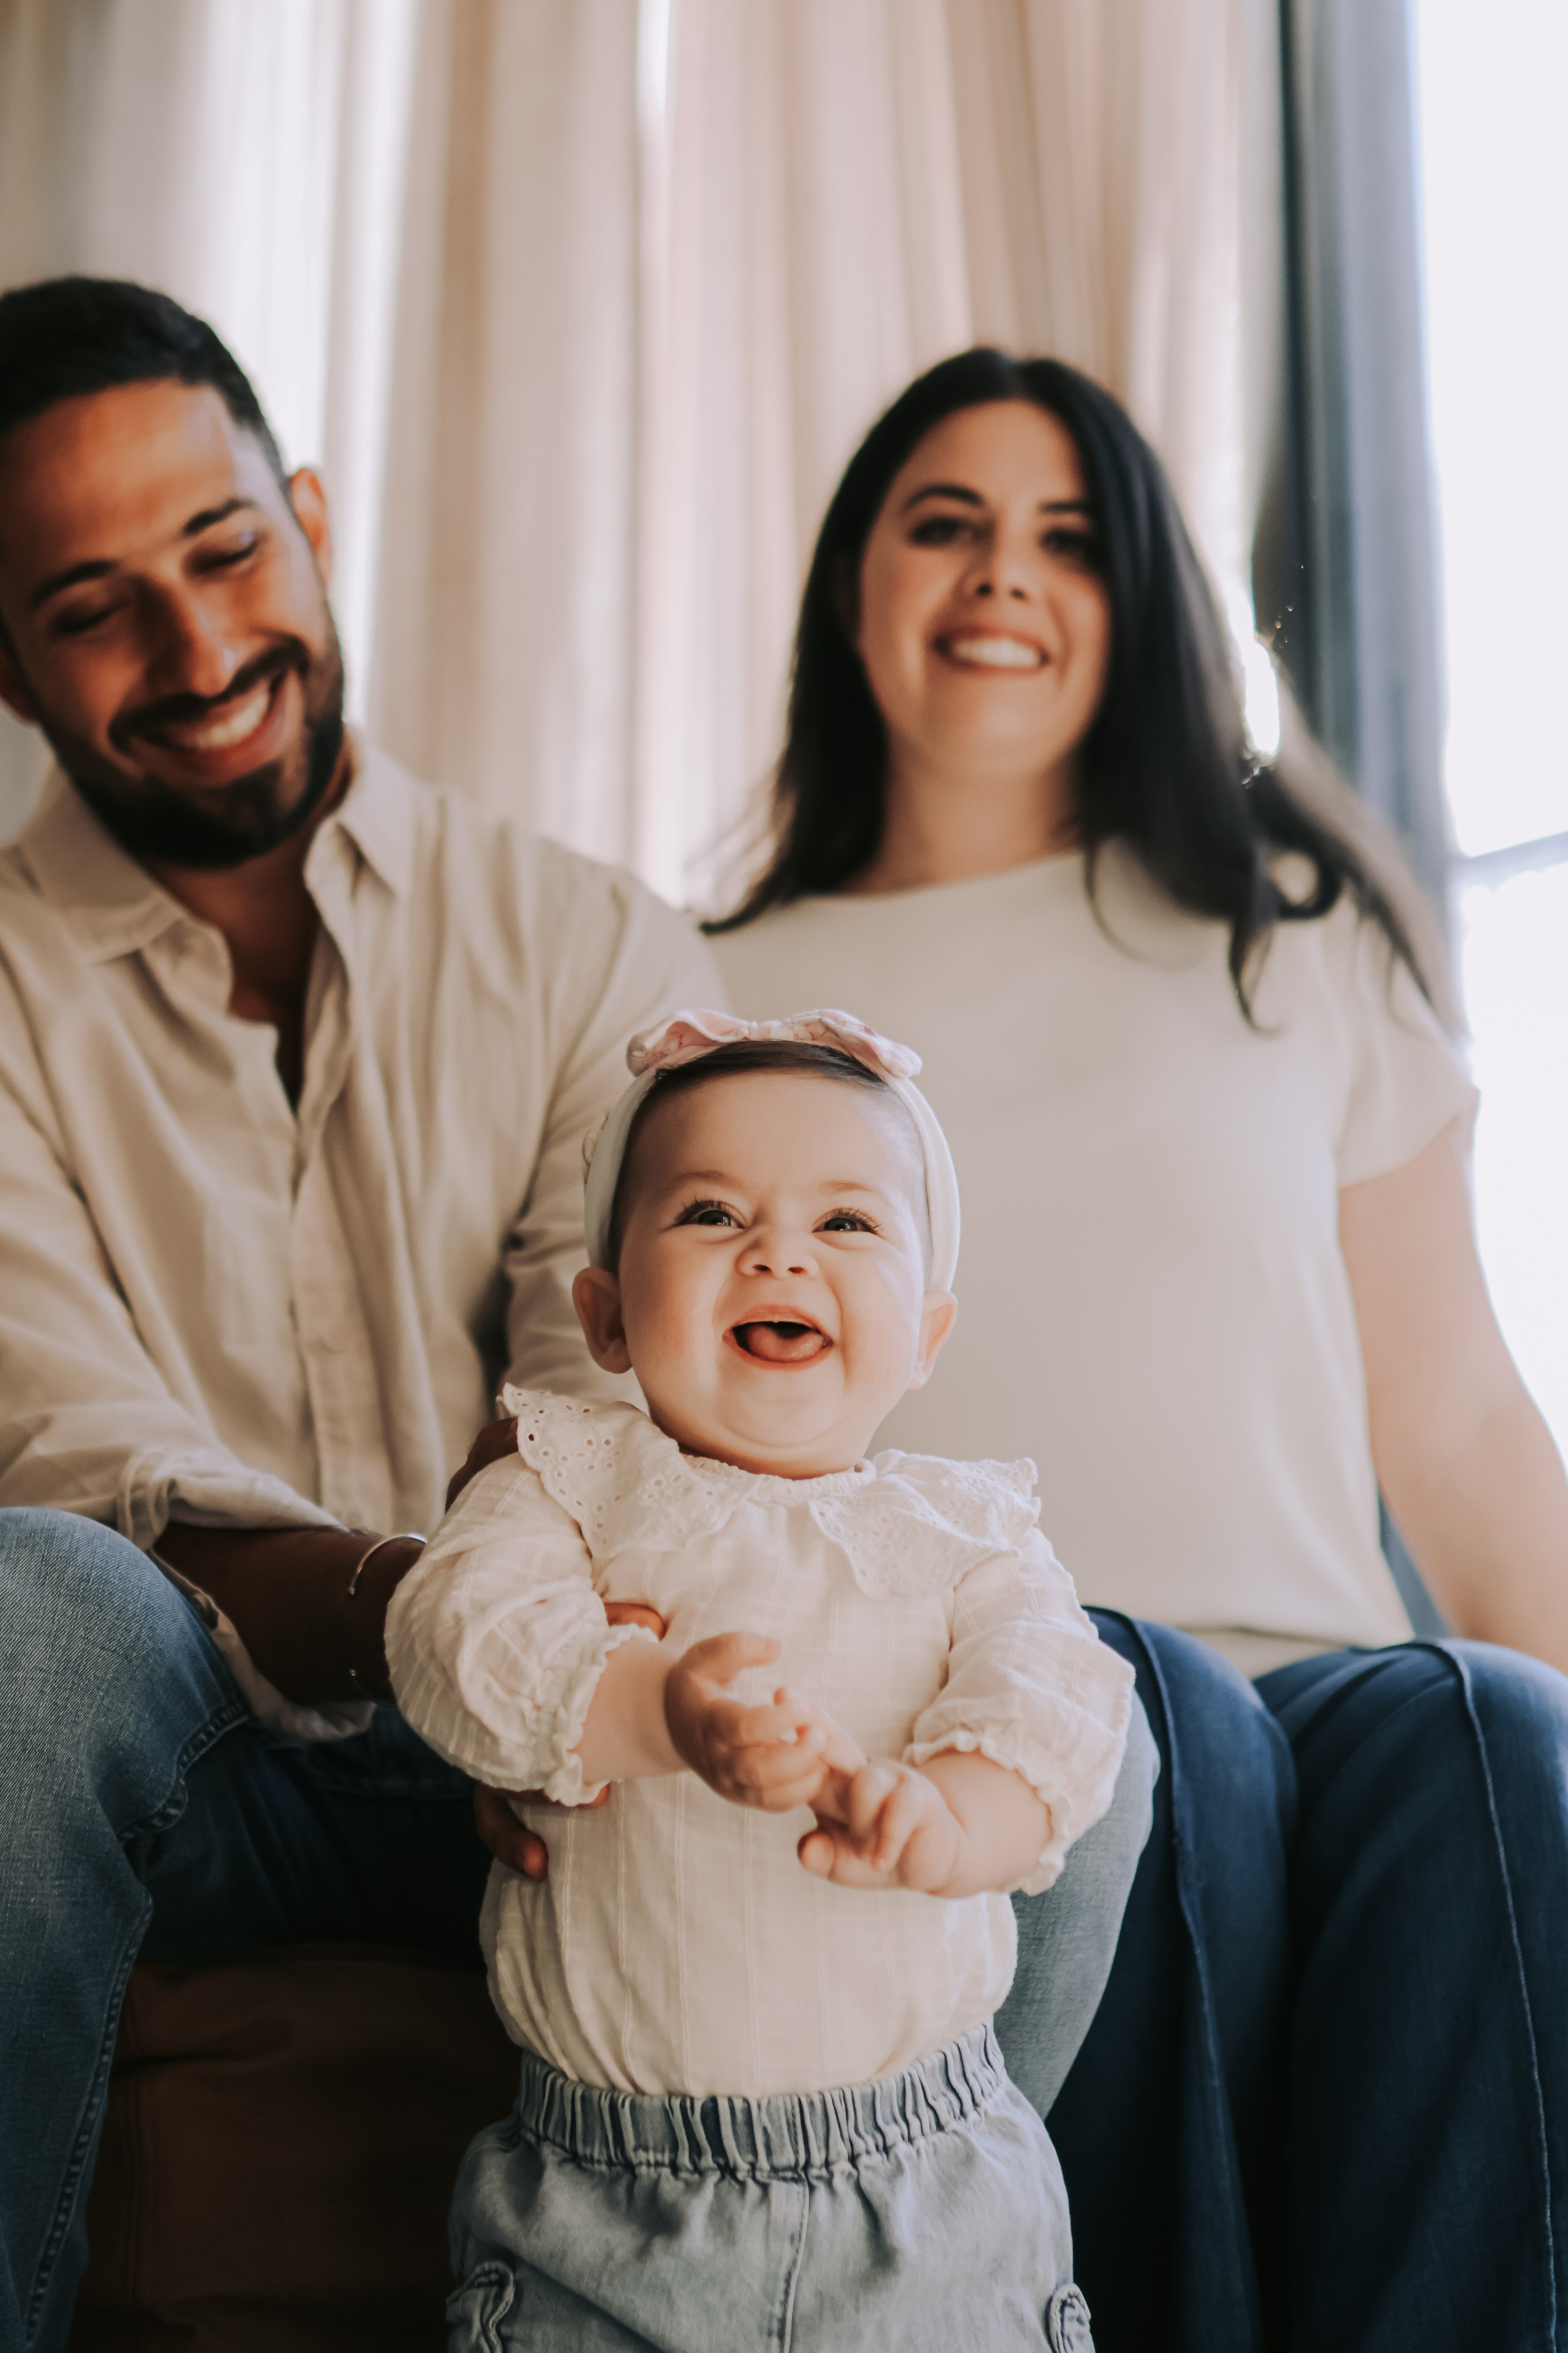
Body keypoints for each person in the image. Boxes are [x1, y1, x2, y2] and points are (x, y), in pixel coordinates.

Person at [0, 285, 1151, 2353]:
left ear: (313, 518)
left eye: (226, 549)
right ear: (1, 650)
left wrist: (603, 1679)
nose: (195, 650)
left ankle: (941, 2271)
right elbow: (73, 1454)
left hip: (628, 1742)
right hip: (243, 1755)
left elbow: (627, 1389)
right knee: (27, 1609)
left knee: (1102, 1704)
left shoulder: (586, 942)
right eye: (91, 603)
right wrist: (477, 1641)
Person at [710, 349, 1568, 2351]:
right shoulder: (711, 993)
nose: (1007, 574)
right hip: (955, 1723)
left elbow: (1457, 1429)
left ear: (1140, 606)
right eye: (948, 522)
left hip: (1325, 1700)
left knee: (1498, 1732)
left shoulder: (1296, 943)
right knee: (1140, 1714)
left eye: (1070, 537)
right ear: (857, 587)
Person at [389, 1009, 1137, 2350]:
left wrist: (957, 1811)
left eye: (847, 1224)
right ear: (606, 1316)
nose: (777, 1249)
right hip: (600, 2206)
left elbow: (1060, 1694)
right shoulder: (565, 1484)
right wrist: (649, 1705)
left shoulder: (965, 1529)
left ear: (926, 1332)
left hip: (929, 2193)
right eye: (711, 1211)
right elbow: (456, 1633)